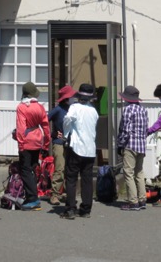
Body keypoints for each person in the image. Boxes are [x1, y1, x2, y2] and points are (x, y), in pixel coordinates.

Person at [60, 83, 99, 220]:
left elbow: (67, 119)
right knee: (86, 180)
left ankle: (70, 208)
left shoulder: (74, 107)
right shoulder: (93, 111)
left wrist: (66, 134)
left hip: (76, 147)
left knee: (71, 178)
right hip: (90, 149)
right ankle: (86, 209)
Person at [14, 81, 51, 210]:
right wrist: (46, 144)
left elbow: (21, 128)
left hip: (27, 141)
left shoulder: (22, 107)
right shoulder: (40, 107)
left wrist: (20, 144)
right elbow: (46, 127)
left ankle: (32, 198)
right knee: (33, 168)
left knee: (25, 170)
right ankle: (33, 194)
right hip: (37, 139)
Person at [116, 85, 148, 210]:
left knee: (128, 173)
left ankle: (133, 202)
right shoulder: (143, 110)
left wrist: (120, 144)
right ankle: (142, 200)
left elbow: (126, 130)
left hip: (130, 145)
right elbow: (145, 129)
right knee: (139, 173)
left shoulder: (128, 109)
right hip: (141, 145)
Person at [47, 85, 77, 205]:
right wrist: (53, 133)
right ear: (66, 98)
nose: (73, 98)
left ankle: (65, 192)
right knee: (59, 168)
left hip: (71, 142)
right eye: (71, 96)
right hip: (59, 143)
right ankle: (54, 194)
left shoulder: (74, 109)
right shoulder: (58, 109)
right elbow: (44, 120)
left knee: (69, 169)